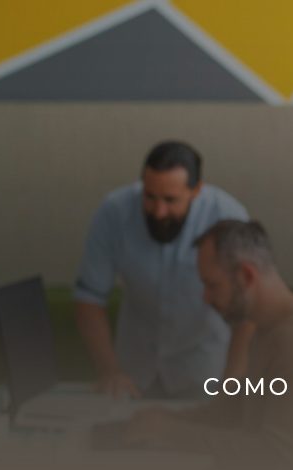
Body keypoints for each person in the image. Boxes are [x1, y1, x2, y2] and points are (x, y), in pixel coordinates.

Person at [120, 220, 293, 470]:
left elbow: (280, 457)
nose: (205, 298)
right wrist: (163, 419)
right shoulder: (264, 327)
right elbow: (231, 411)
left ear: (246, 276)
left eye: (212, 285)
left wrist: (169, 433)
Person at [74, 141, 252, 398]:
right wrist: (109, 371)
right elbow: (89, 299)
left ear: (197, 190)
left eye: (170, 200)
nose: (158, 211)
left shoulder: (227, 216)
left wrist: (233, 385)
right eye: (150, 196)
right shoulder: (114, 211)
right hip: (133, 374)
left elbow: (247, 309)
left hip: (203, 371)